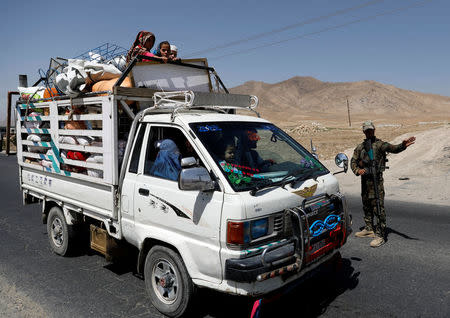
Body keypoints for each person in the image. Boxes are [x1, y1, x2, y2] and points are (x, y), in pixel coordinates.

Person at [351, 120, 416, 247]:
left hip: (376, 182)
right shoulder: (360, 147)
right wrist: (358, 170)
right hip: (365, 182)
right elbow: (353, 161)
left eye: (371, 129)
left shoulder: (380, 145)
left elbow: (393, 148)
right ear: (364, 131)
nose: (369, 132)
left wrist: (402, 145)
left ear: (374, 130)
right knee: (366, 205)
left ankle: (380, 235)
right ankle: (369, 229)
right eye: (367, 130)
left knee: (378, 208)